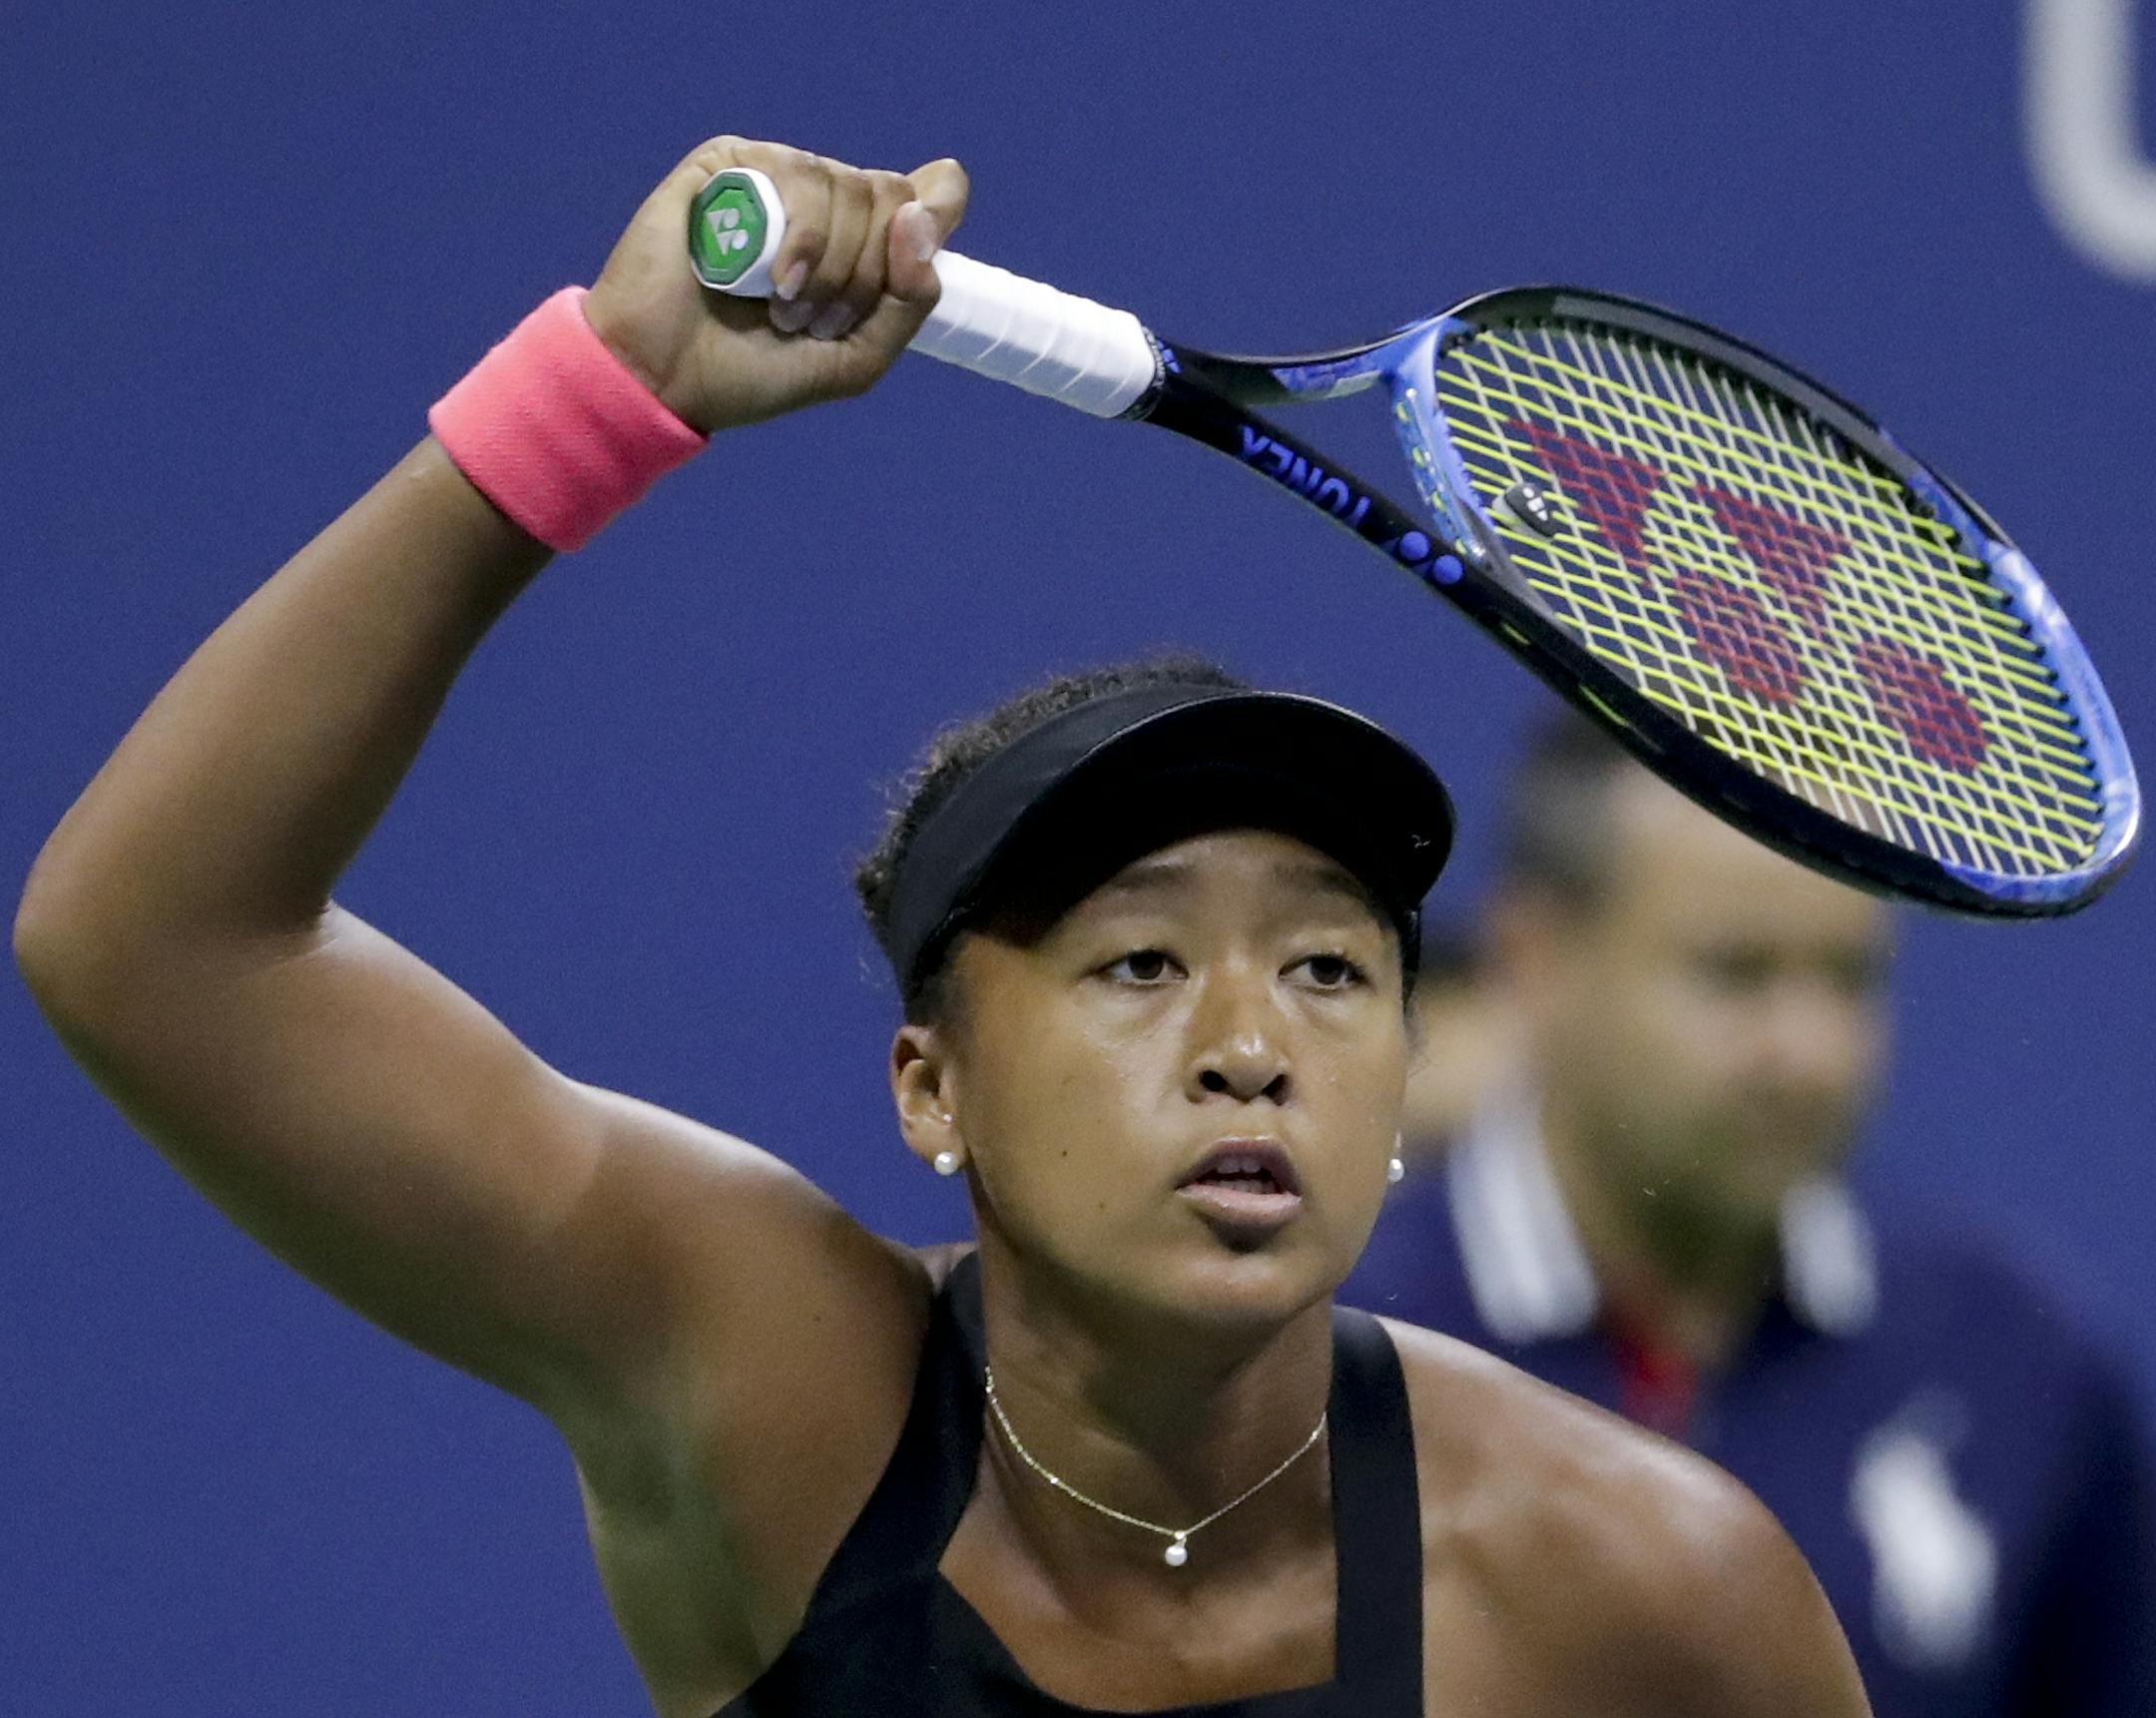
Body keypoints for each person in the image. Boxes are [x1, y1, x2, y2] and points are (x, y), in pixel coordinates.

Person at [14, 136, 1876, 1716]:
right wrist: (607, 385)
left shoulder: (1651, 1596)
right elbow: (154, 942)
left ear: (1409, 1081)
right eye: (1140, 963)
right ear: (933, 1085)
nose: (1252, 1041)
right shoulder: (760, 1376)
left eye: (1330, 967)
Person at [1345, 712, 2156, 1717]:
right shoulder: (1317, 1352)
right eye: (1736, 972)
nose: (1809, 1052)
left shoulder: (2028, 1366)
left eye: (1848, 977)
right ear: (1533, 959)